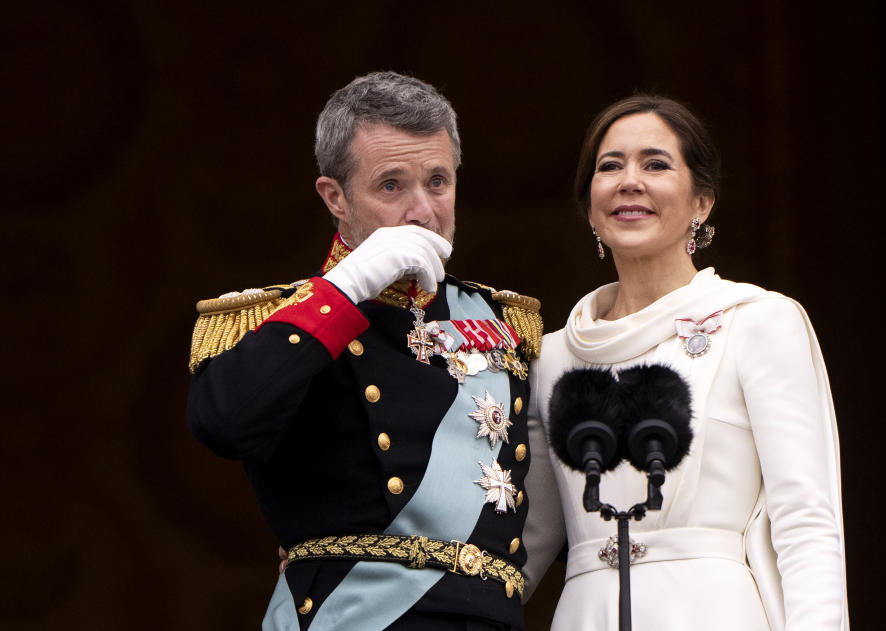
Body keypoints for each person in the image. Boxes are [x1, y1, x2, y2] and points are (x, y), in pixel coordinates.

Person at [186, 71, 544, 631]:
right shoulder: (284, 321)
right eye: (392, 186)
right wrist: (345, 289)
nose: (423, 210)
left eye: (438, 182)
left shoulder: (506, 322)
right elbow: (223, 421)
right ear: (335, 197)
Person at [520, 95, 848, 630]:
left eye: (655, 164)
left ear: (702, 201)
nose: (629, 181)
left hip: (712, 610)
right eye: (610, 166)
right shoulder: (553, 355)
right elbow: (528, 542)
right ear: (589, 204)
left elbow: (806, 522)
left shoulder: (758, 322)